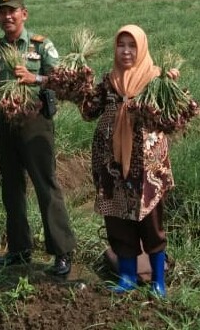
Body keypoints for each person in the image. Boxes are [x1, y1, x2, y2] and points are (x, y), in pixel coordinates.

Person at [0, 0, 76, 276]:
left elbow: (64, 81)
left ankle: (62, 252)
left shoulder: (41, 46)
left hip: (35, 121)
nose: (7, 16)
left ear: (24, 14)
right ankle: (19, 249)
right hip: (5, 122)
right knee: (11, 186)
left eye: (12, 11)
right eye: (1, 12)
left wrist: (35, 78)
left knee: (46, 185)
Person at [76, 24, 181, 297]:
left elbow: (171, 116)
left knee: (151, 222)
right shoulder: (109, 80)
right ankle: (127, 277)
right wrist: (80, 81)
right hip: (111, 165)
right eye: (121, 45)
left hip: (147, 167)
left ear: (141, 48)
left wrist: (171, 83)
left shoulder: (155, 79)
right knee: (118, 220)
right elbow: (89, 112)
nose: (126, 51)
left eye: (132, 45)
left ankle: (158, 281)